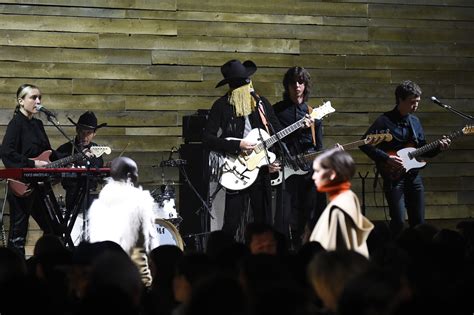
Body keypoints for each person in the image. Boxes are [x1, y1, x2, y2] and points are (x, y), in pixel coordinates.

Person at [203, 59, 284, 240]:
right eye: (243, 83)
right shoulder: (222, 105)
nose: (248, 86)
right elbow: (207, 139)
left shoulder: (261, 104)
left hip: (260, 170)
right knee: (232, 222)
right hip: (236, 170)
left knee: (263, 222)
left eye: (248, 81)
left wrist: (273, 159)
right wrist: (237, 145)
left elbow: (277, 135)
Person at [359, 80, 451, 237]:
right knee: (399, 222)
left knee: (419, 222)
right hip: (394, 178)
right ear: (400, 100)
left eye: (417, 102)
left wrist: (438, 148)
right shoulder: (384, 120)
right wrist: (387, 159)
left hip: (414, 177)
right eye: (412, 102)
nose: (415, 106)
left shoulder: (415, 122)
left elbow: (422, 150)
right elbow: (364, 144)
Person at [0, 83, 62, 256]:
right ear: (21, 101)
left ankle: (42, 267)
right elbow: (6, 152)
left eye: (39, 97)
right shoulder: (16, 123)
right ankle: (16, 275)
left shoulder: (38, 125)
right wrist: (32, 164)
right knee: (18, 235)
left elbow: (48, 153)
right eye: (33, 97)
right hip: (23, 184)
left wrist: (73, 157)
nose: (38, 101)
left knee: (52, 229)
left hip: (40, 185)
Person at [272, 66, 327, 250]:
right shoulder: (277, 111)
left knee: (309, 213)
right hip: (286, 170)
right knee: (285, 215)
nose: (297, 86)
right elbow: (272, 141)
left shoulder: (314, 113)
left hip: (309, 171)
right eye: (293, 82)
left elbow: (318, 146)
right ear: (287, 86)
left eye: (301, 82)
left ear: (305, 85)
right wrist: (297, 128)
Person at [87, 156, 160, 286]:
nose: (138, 175)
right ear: (128, 175)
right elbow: (140, 249)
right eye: (136, 172)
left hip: (104, 279)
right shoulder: (139, 202)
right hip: (131, 280)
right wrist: (146, 283)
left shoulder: (97, 205)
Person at [309, 148, 374, 258]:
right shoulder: (347, 198)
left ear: (332, 174)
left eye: (318, 171)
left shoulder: (338, 209)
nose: (313, 176)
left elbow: (344, 257)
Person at [56, 111, 107, 227]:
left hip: (91, 196)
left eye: (88, 133)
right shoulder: (64, 149)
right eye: (82, 132)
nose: (84, 136)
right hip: (72, 195)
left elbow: (99, 175)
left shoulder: (97, 150)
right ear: (77, 130)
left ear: (94, 133)